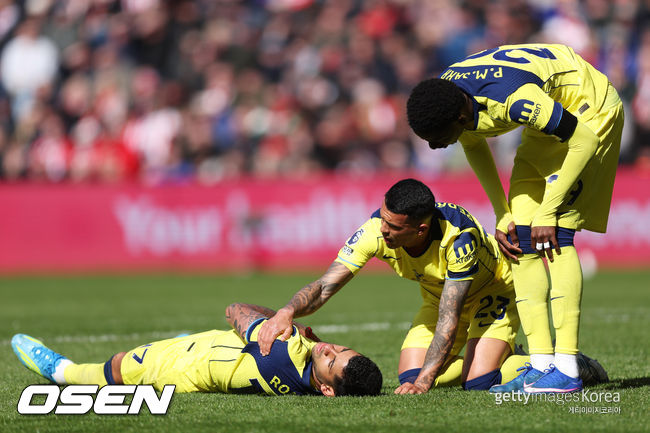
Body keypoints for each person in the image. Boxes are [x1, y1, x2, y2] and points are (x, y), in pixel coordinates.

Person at [406, 44, 623, 393]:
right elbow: (474, 144)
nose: (434, 147)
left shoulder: (514, 101)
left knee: (556, 235)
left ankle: (567, 369)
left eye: (436, 138)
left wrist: (548, 210)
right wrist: (502, 212)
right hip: (552, 111)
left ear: (459, 119)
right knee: (519, 241)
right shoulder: (449, 95)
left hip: (589, 109)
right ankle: (540, 364)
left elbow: (583, 140)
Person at [259, 178, 531, 394]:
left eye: (393, 226)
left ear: (420, 230)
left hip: (490, 293)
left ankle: (538, 363)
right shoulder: (375, 230)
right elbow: (325, 286)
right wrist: (287, 311)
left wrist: (423, 384)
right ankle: (488, 358)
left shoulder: (459, 239)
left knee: (478, 382)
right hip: (438, 298)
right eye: (383, 218)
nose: (383, 229)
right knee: (410, 376)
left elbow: (450, 316)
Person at [11, 303, 382, 397]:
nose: (328, 349)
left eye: (330, 359)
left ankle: (60, 371)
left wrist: (284, 316)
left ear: (327, 388)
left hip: (187, 363)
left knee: (119, 368)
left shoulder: (283, 350)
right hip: (209, 364)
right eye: (340, 348)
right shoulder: (307, 379)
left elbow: (234, 310)